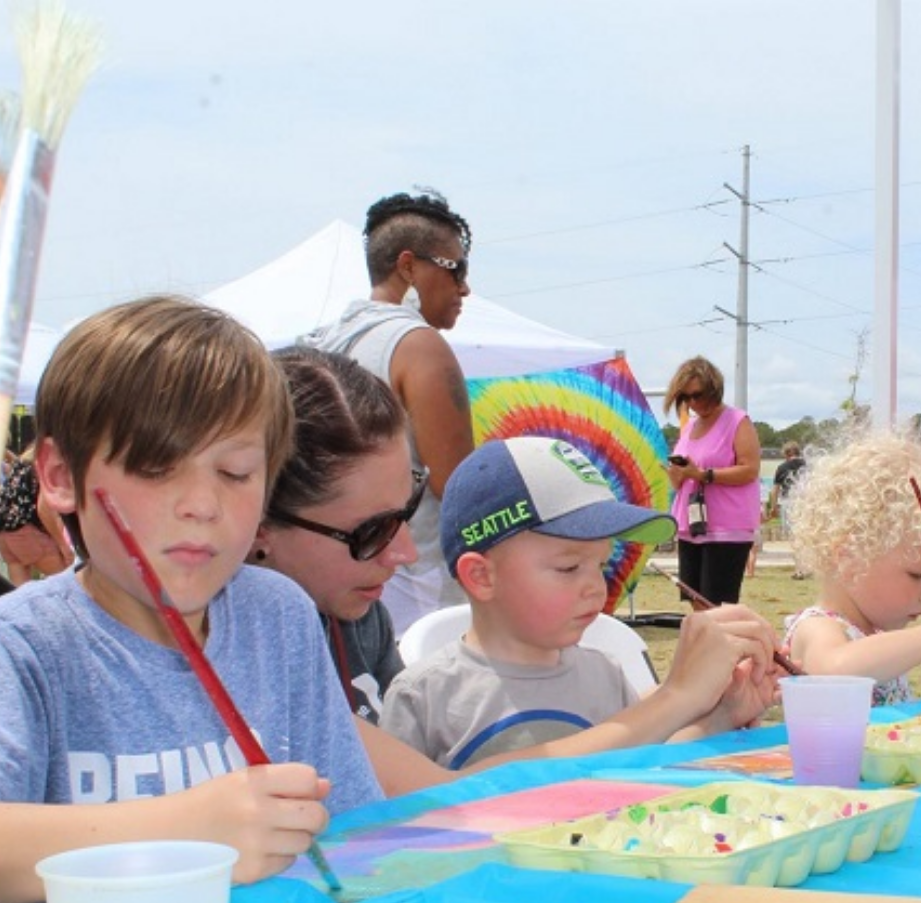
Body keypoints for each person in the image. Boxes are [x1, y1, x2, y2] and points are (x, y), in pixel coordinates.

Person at [0, 297, 383, 903]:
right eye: (155, 468)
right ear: (60, 475)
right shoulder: (21, 646)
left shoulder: (277, 617)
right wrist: (179, 828)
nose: (202, 504)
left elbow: (356, 829)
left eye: (235, 472)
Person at [257, 349, 782, 786]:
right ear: (260, 522)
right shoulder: (268, 650)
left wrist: (712, 713)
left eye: (406, 515)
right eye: (369, 531)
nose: (406, 553)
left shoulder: (360, 622)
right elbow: (445, 798)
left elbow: (610, 758)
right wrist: (675, 697)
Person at [377, 436, 779, 769]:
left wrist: (723, 713)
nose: (596, 587)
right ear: (482, 576)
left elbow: (635, 758)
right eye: (569, 567)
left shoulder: (605, 675)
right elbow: (396, 818)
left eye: (601, 565)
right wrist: (678, 693)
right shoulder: (424, 696)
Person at [303, 189, 475, 635]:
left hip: (336, 578)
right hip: (416, 582)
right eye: (456, 269)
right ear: (408, 266)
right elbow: (458, 488)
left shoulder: (326, 343)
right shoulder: (419, 347)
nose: (464, 287)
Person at [783, 429, 921, 706]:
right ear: (849, 558)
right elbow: (833, 670)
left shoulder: (876, 635)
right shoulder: (817, 627)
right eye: (917, 575)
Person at [663, 356, 762, 606]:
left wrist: (704, 475)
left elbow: (750, 469)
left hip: (726, 527)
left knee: (717, 606)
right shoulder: (689, 428)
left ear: (714, 389)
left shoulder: (737, 421)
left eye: (698, 395)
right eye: (686, 397)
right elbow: (685, 476)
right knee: (695, 601)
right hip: (692, 525)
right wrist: (677, 475)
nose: (694, 403)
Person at [0, 445, 75, 584]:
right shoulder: (52, 466)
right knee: (69, 584)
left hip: (4, 533)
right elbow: (45, 508)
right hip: (28, 532)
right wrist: (63, 546)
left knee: (21, 593)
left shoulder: (23, 463)